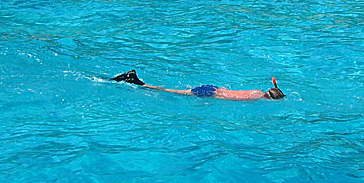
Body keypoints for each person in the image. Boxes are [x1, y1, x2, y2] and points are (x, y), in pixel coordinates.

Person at [112, 70, 285, 101]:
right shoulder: (256, 98)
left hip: (213, 88)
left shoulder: (257, 91)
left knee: (176, 92)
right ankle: (137, 82)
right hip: (211, 94)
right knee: (172, 92)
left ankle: (138, 82)